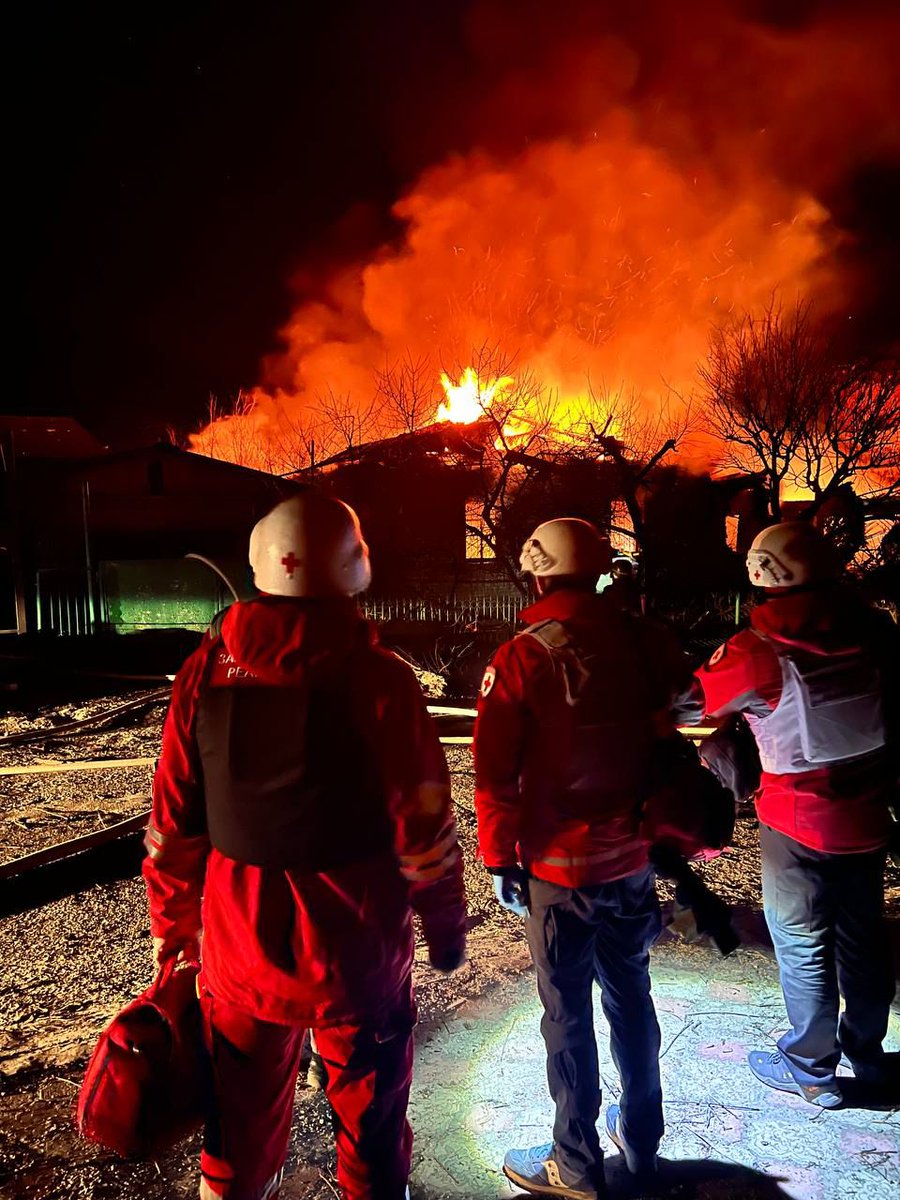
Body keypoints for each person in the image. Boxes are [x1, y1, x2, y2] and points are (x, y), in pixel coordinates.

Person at [144, 490, 467, 1200]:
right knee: (373, 1137)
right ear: (355, 568)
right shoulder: (382, 681)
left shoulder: (204, 672)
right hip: (357, 966)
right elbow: (425, 830)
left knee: (235, 1140)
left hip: (238, 963)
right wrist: (445, 927)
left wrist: (176, 940)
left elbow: (173, 830)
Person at [473, 518, 700, 1200]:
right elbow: (687, 704)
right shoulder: (644, 640)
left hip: (559, 869)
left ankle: (574, 1165)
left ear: (538, 573)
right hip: (631, 859)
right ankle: (642, 1144)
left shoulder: (522, 656)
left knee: (567, 1011)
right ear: (600, 570)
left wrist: (498, 860)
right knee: (632, 995)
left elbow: (492, 772)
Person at [685, 520, 898, 1108]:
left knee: (804, 940)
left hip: (796, 819)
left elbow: (694, 699)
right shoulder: (877, 630)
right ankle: (870, 1056)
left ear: (759, 573)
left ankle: (812, 1068)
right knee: (863, 938)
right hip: (869, 816)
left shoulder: (756, 649)